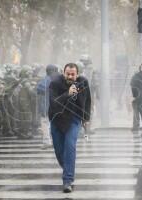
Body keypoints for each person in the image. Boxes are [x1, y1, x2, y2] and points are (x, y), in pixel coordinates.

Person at [48, 63, 91, 193]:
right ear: (63, 72)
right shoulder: (55, 83)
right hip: (57, 119)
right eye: (68, 74)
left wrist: (86, 119)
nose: (70, 76)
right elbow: (54, 103)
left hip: (74, 119)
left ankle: (68, 180)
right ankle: (67, 167)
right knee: (59, 151)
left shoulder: (83, 82)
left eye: (73, 74)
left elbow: (88, 101)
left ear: (77, 74)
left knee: (70, 146)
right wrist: (68, 93)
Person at [37, 64, 58, 149]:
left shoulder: (46, 80)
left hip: (47, 106)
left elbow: (40, 89)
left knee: (45, 124)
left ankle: (47, 142)